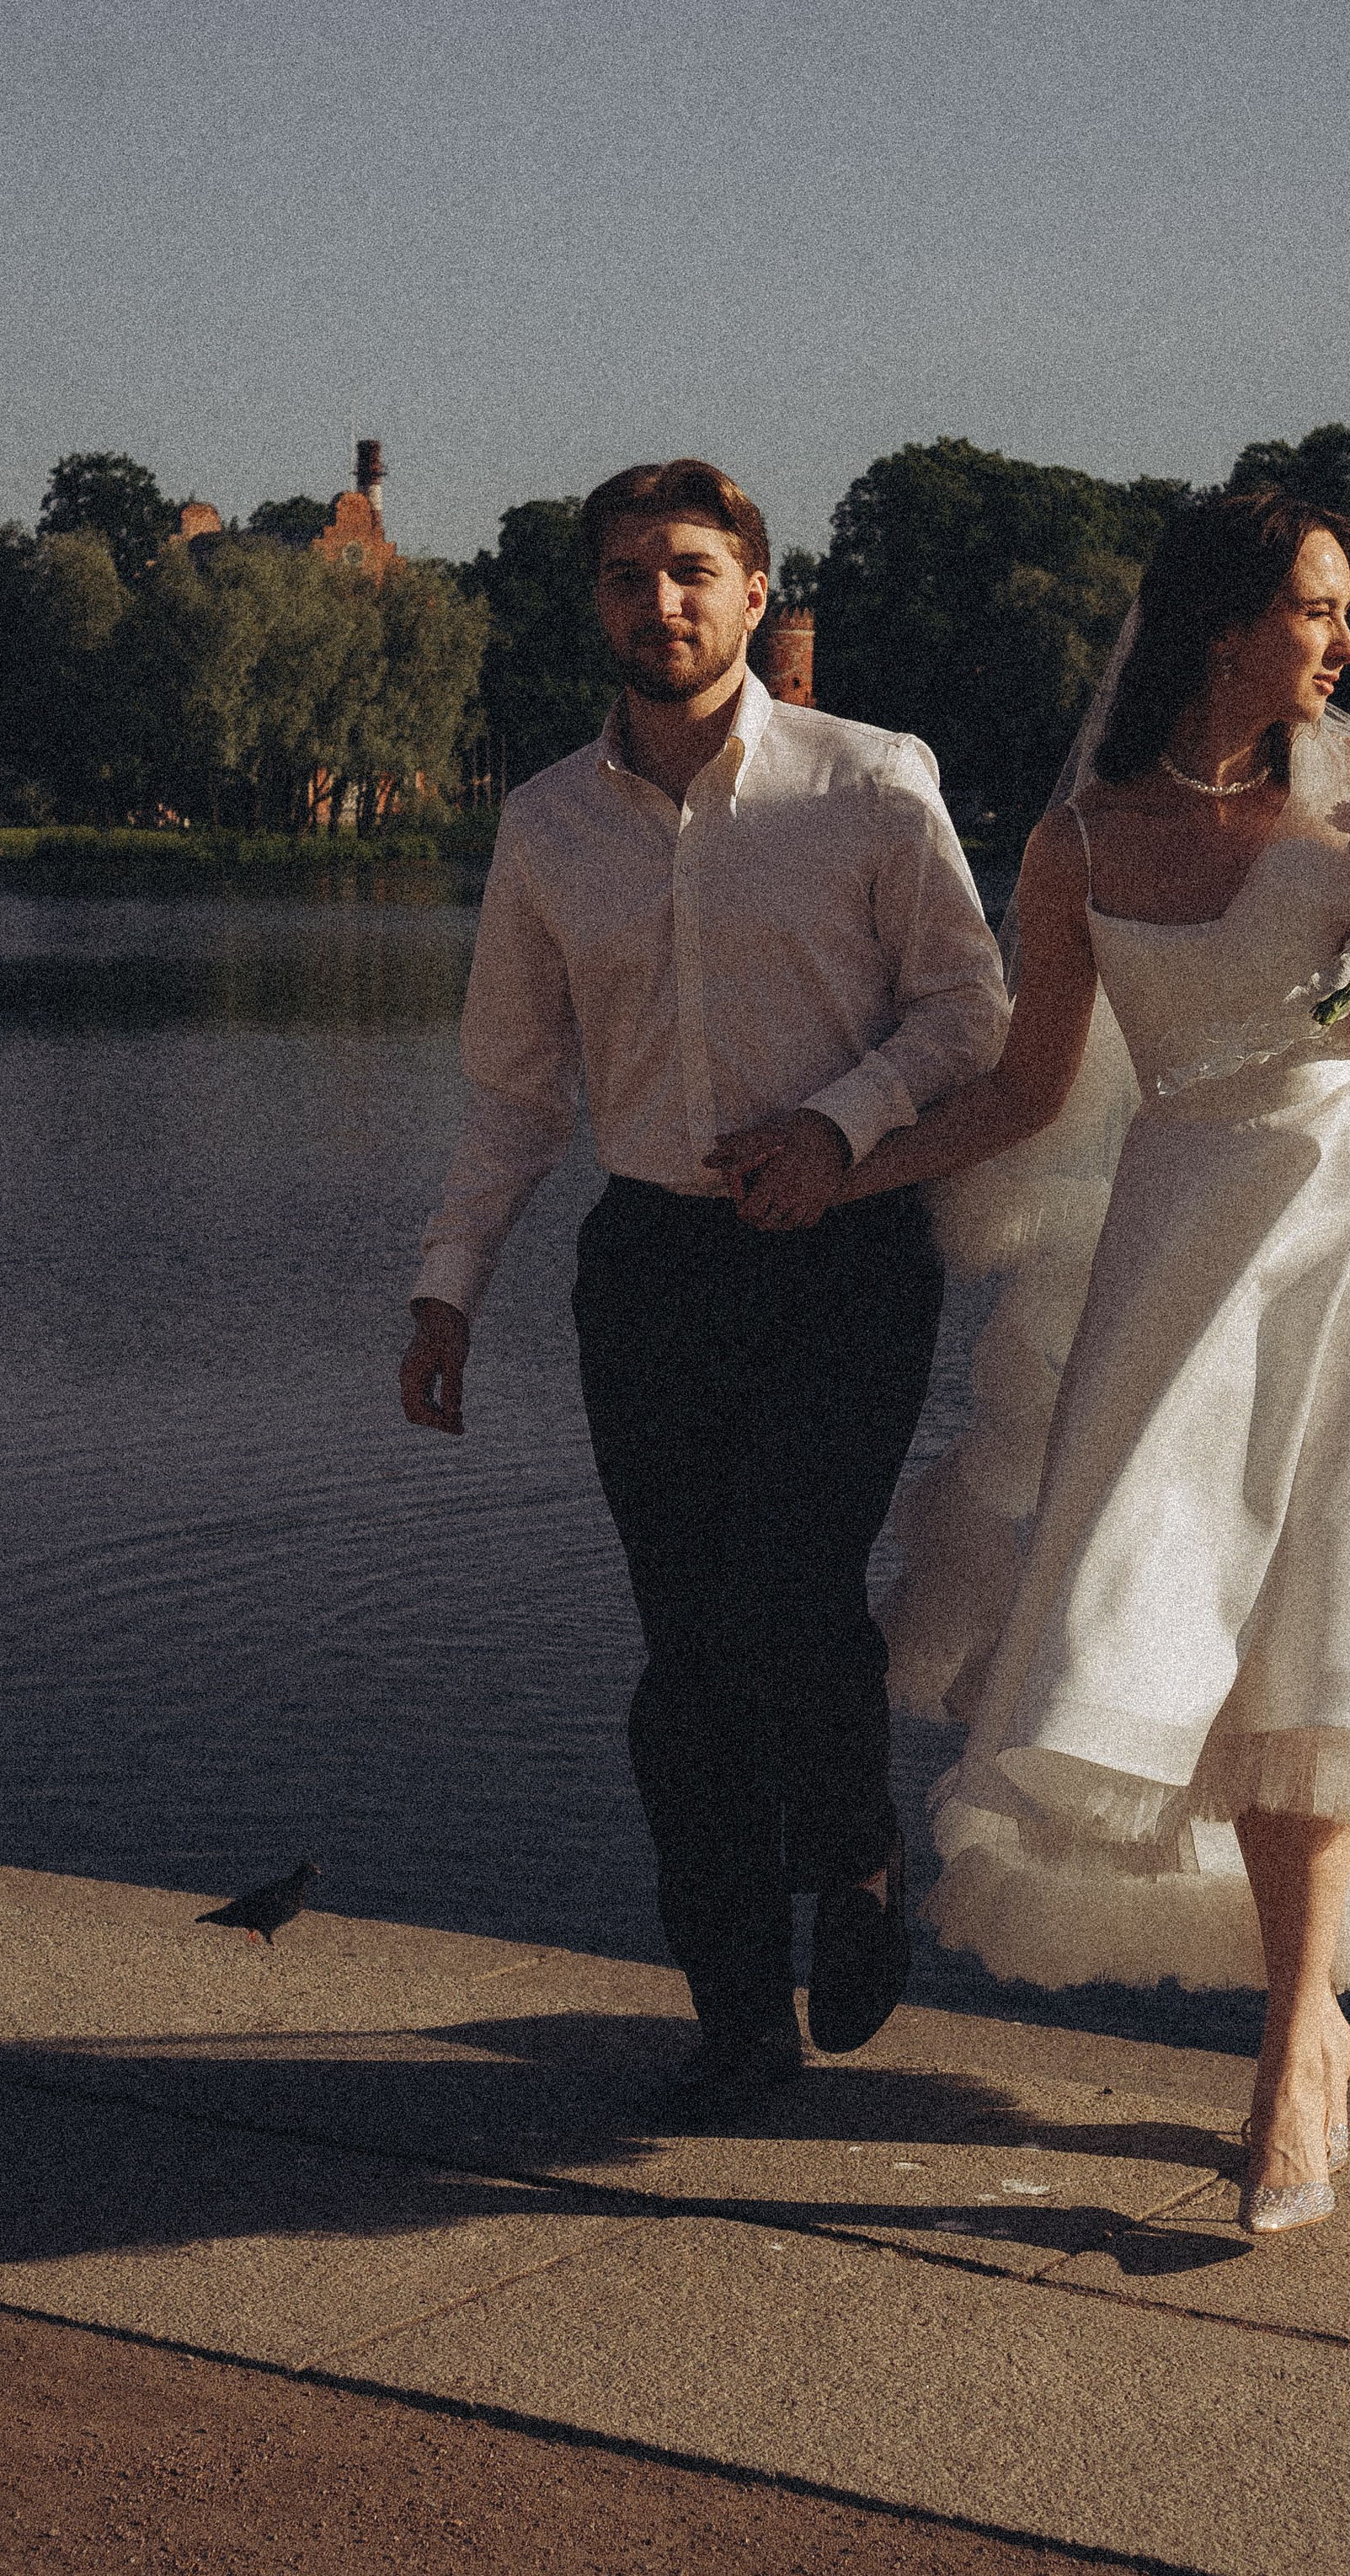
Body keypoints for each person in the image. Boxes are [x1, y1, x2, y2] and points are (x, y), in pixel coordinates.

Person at [713, 488, 1350, 2231]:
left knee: (1321, 1632)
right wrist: (834, 1160)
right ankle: (1305, 2026)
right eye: (1315, 611)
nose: (1343, 647)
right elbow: (1029, 1093)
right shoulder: (1078, 847)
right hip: (1177, 1246)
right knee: (1171, 1617)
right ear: (1218, 626)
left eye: (1341, 615)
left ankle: (1287, 2058)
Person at [399, 458, 1009, 2110]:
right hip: (650, 1271)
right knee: (684, 1660)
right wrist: (447, 1288)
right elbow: (517, 1089)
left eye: (687, 572)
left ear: (753, 594)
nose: (654, 604)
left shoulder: (871, 786)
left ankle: (855, 1852)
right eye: (620, 577)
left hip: (838, 1259)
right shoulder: (544, 825)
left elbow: (969, 1015)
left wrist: (837, 1125)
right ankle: (736, 2010)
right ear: (591, 601)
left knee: (788, 1598)